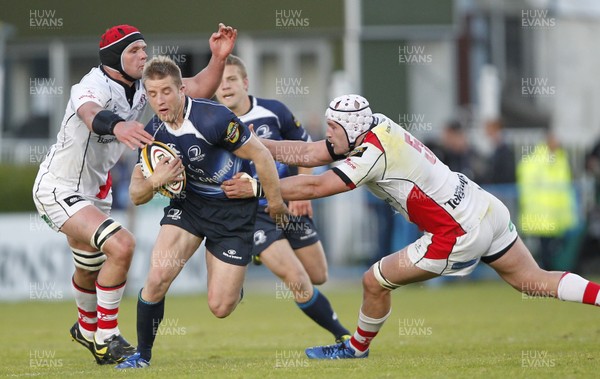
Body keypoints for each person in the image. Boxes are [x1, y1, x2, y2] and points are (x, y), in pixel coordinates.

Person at [222, 94, 600, 359]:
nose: (328, 135)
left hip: (455, 232)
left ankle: (355, 348)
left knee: (373, 280)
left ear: (352, 130)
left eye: (334, 129)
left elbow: (317, 184)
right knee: (532, 281)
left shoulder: (371, 153)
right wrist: (253, 144)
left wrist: (257, 186)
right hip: (485, 207)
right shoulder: (375, 125)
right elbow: (308, 153)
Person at [32, 23, 237, 365]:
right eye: (134, 51)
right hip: (58, 185)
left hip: (95, 191)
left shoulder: (144, 85)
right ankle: (107, 337)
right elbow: (90, 113)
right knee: (123, 245)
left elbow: (198, 87)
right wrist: (118, 125)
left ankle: (86, 328)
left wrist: (217, 58)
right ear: (114, 57)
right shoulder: (91, 85)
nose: (144, 55)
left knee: (88, 268)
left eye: (144, 48)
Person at [115, 55, 288, 369]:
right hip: (189, 208)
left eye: (166, 91)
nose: (160, 100)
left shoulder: (214, 119)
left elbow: (262, 156)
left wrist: (274, 203)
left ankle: (234, 288)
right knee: (156, 278)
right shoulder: (152, 133)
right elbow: (136, 195)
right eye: (152, 94)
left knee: (220, 306)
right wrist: (157, 180)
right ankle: (142, 355)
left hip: (233, 214)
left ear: (182, 90)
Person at [214, 54, 350, 342]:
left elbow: (306, 149)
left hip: (287, 202)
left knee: (318, 275)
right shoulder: (211, 122)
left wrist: (306, 189)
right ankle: (344, 337)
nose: (225, 86)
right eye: (220, 81)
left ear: (245, 82)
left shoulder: (274, 111)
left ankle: (263, 254)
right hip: (251, 214)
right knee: (297, 278)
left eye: (232, 80)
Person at [516, 132, 577, 270]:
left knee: (551, 249)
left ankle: (548, 273)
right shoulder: (535, 161)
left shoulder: (560, 159)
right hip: (541, 215)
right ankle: (545, 273)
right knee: (545, 250)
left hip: (557, 216)